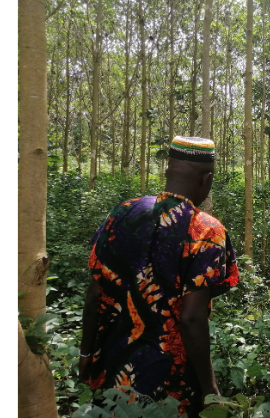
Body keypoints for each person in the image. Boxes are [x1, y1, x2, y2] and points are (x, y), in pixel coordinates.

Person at [79, 136, 239, 417]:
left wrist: (85, 354)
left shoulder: (121, 213)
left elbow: (94, 295)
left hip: (112, 372)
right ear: (207, 179)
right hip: (168, 387)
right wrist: (210, 388)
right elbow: (191, 319)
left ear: (167, 171)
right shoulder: (206, 231)